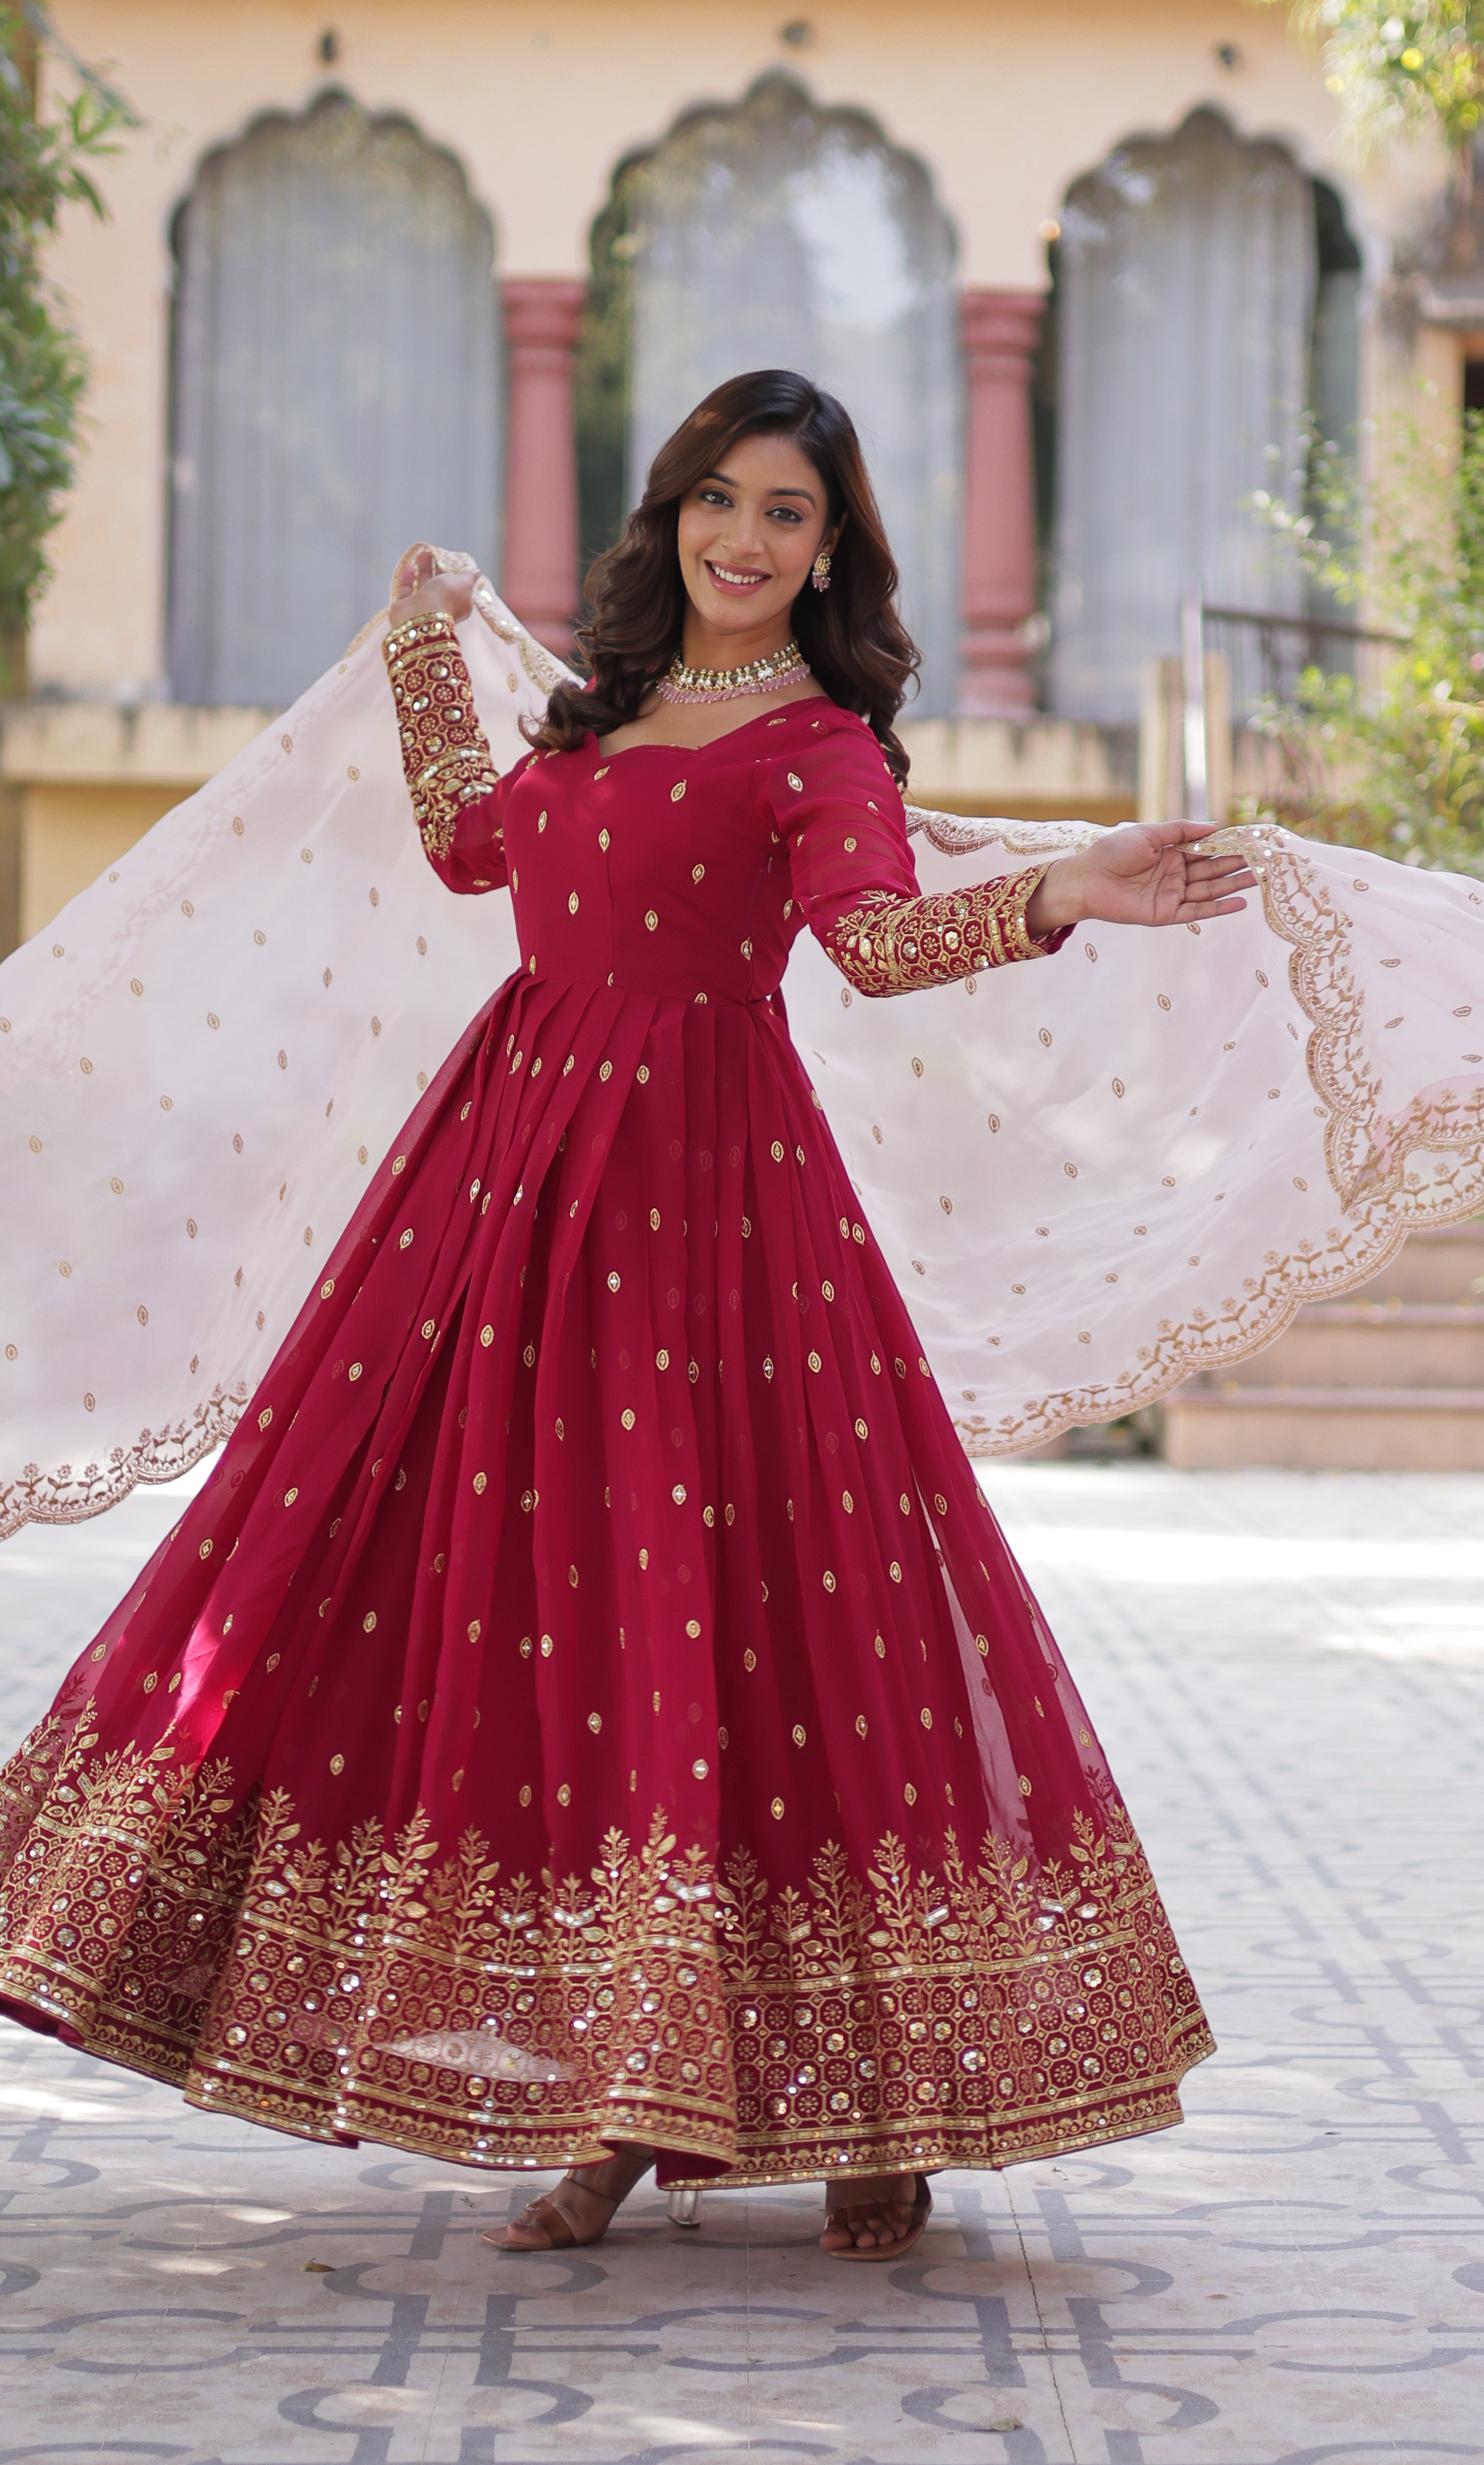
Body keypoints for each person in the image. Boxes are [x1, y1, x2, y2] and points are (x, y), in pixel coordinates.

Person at [0, 371, 1243, 2262]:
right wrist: (427, 648)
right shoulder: (601, 720)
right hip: (502, 1200)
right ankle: (599, 2094)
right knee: (532, 1606)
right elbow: (472, 849)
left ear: (833, 554)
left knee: (747, 1611)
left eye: (789, 517)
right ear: (669, 515)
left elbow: (880, 945)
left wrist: (1068, 888)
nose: (745, 543)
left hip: (710, 1216)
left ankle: (866, 2105)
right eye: (719, 503)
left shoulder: (821, 747)